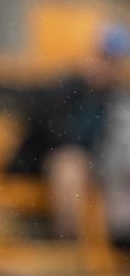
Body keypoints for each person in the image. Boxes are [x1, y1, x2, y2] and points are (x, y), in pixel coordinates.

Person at [7, 22, 130, 244]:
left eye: (116, 61)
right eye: (106, 58)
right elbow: (51, 136)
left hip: (95, 163)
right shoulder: (61, 90)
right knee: (70, 163)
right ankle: (70, 243)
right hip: (44, 163)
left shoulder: (114, 98)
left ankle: (117, 243)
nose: (110, 67)